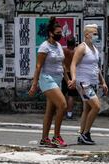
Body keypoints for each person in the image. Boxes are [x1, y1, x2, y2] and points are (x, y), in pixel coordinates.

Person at [28, 17, 69, 147]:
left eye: (61, 33)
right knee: (62, 105)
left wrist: (68, 80)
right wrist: (34, 84)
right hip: (47, 79)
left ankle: (44, 139)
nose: (60, 35)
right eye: (57, 33)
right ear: (51, 33)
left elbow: (63, 65)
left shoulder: (58, 46)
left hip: (57, 80)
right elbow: (38, 66)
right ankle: (56, 136)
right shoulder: (44, 47)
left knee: (50, 111)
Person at [70, 24, 108, 145]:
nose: (97, 35)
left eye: (97, 33)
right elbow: (73, 64)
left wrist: (103, 82)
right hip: (83, 83)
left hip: (92, 82)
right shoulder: (82, 48)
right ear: (87, 34)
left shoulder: (94, 49)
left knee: (87, 109)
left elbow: (96, 68)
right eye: (94, 33)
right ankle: (86, 134)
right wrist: (74, 78)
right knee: (96, 106)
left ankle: (82, 134)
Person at [62, 37, 79, 119]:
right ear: (74, 43)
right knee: (71, 95)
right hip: (73, 74)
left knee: (63, 94)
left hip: (65, 73)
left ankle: (62, 111)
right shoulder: (76, 52)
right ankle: (69, 113)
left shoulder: (64, 51)